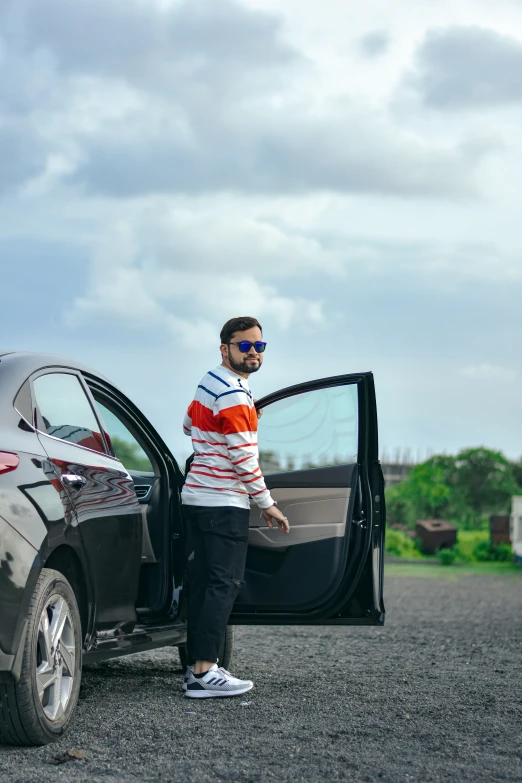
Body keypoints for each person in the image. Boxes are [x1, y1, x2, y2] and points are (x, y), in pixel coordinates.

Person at [180, 316, 290, 699]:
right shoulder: (236, 395)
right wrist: (268, 504)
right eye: (245, 346)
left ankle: (197, 668)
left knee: (201, 587)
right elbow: (244, 459)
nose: (254, 353)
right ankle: (205, 672)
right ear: (225, 348)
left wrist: (219, 433)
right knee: (223, 585)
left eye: (260, 346)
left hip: (196, 497)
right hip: (223, 502)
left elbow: (187, 426)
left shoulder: (209, 382)